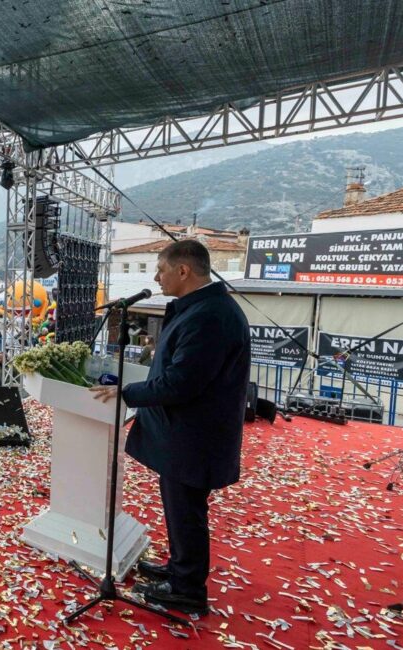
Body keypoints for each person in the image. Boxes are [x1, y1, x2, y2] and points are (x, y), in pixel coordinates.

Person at [90, 240, 250, 616]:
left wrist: (126, 392)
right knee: (180, 508)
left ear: (183, 270)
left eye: (160, 269)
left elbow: (182, 383)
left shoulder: (209, 316)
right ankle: (180, 569)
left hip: (195, 436)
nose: (156, 277)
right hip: (187, 433)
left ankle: (187, 588)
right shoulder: (202, 309)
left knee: (187, 511)